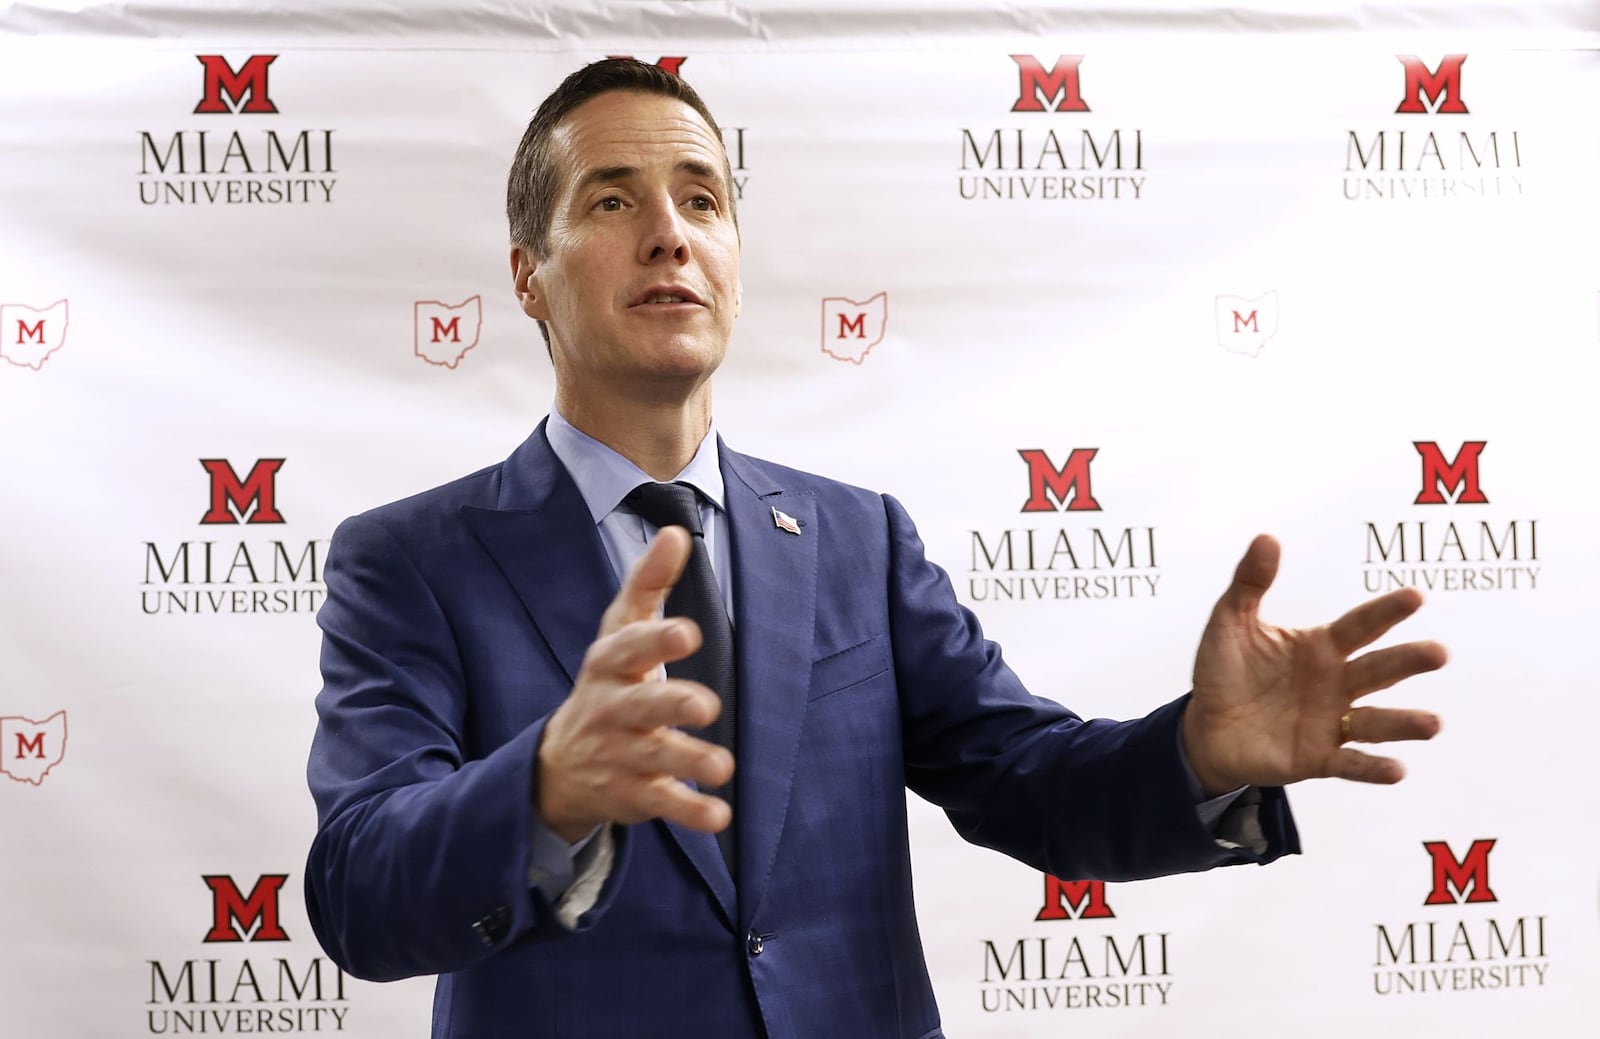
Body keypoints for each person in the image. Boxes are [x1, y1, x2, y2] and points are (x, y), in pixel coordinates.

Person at [304, 59, 1445, 1038]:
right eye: (611, 202)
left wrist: (1201, 755)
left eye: (702, 200)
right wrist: (544, 787)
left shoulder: (856, 536)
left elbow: (1027, 779)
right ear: (526, 275)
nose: (668, 233)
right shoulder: (408, 559)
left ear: (735, 261)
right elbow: (359, 889)